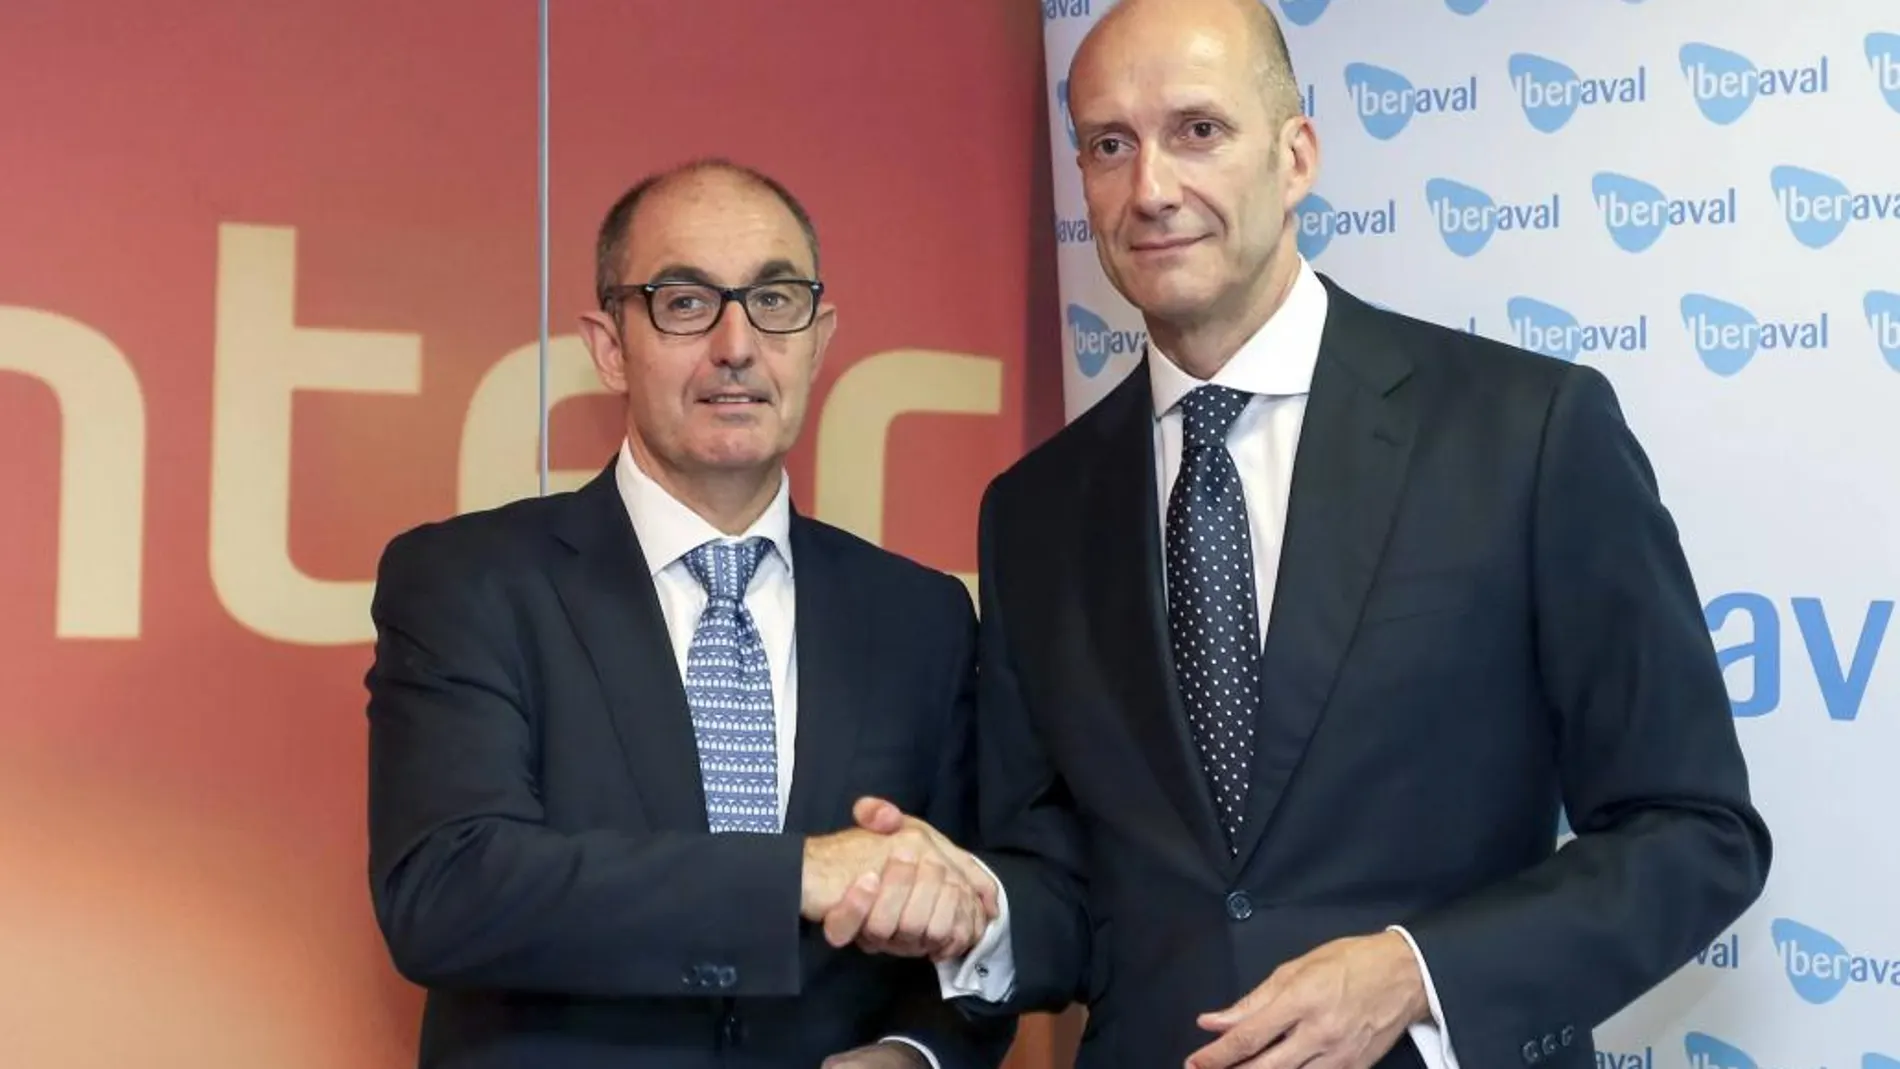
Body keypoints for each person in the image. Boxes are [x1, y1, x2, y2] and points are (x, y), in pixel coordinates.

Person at [821, 1, 1773, 1067]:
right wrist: (976, 905)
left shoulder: (1525, 432)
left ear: (1296, 155)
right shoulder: (1034, 510)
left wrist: (1418, 973)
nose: (1150, 188)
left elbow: (1694, 833)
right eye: (1108, 145)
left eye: (1197, 130)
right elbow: (1063, 876)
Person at [363, 158, 1013, 1069]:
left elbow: (972, 910)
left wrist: (916, 1052)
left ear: (819, 340)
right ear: (608, 343)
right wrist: (796, 873)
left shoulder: (922, 618)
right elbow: (447, 891)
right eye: (684, 302)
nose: (737, 344)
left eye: (775, 300)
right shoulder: (469, 581)